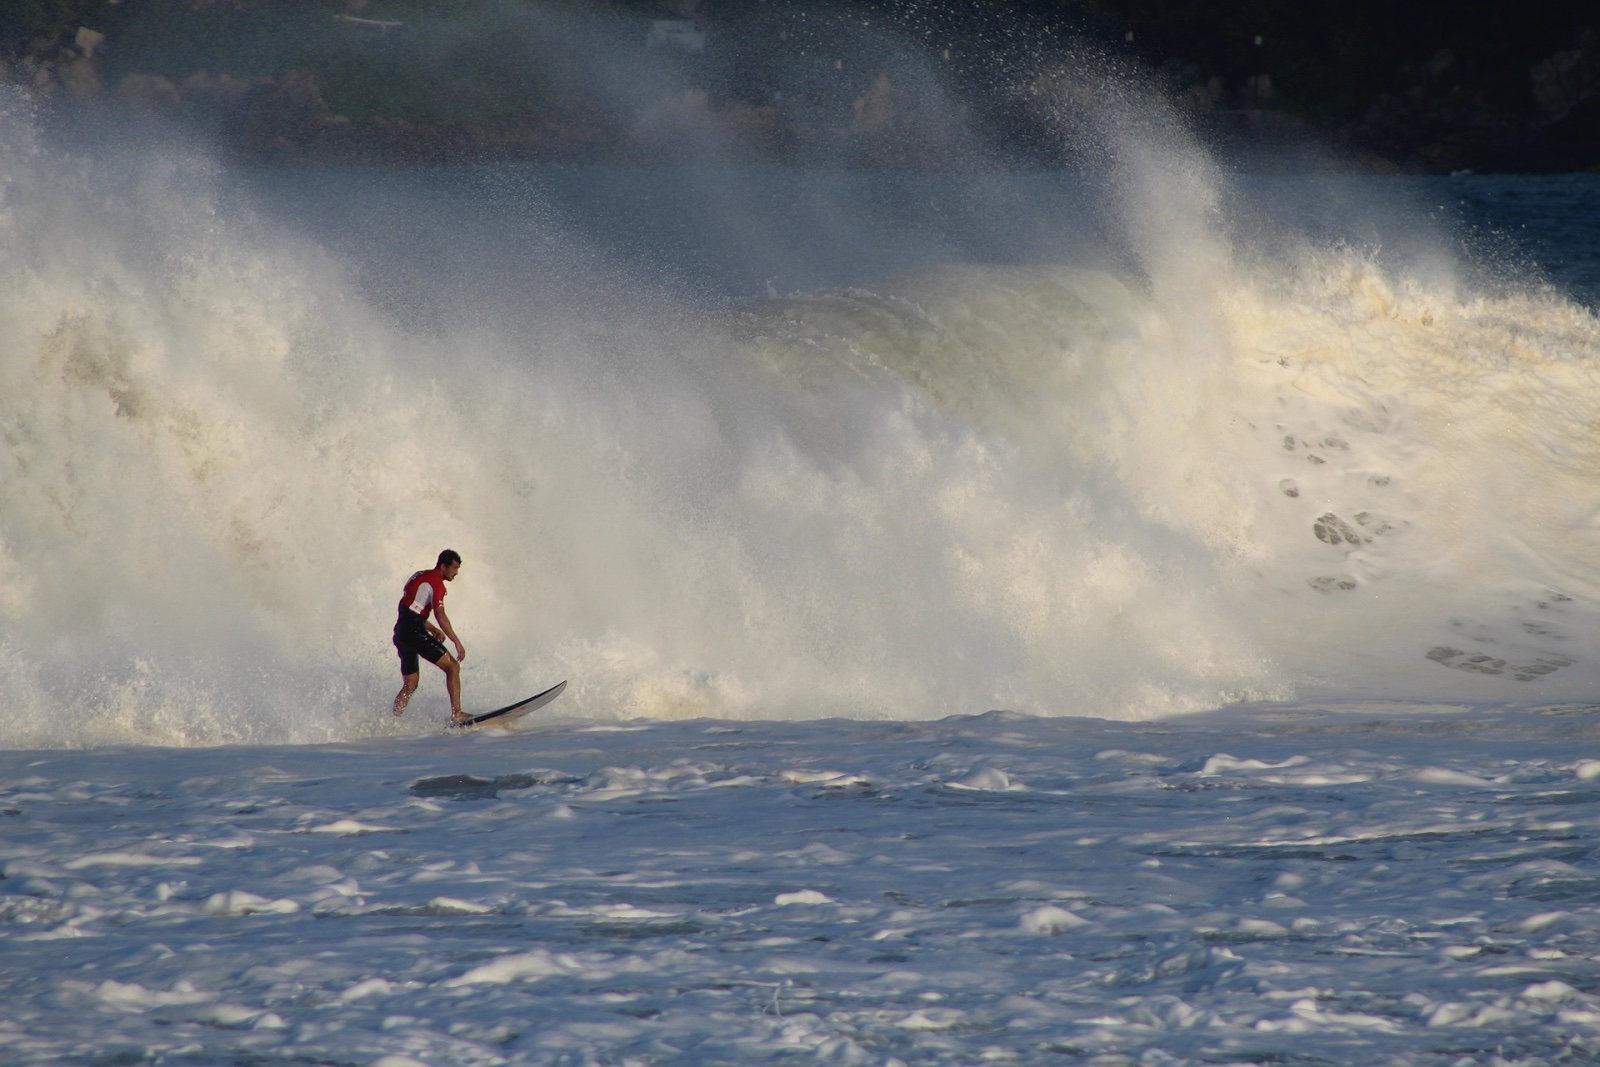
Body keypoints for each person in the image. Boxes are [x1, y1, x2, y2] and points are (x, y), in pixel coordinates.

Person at [392, 549, 468, 722]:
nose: (456, 573)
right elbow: (440, 615)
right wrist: (456, 642)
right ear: (443, 566)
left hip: (401, 632)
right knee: (453, 667)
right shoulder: (436, 584)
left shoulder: (419, 576)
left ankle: (393, 720)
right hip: (414, 632)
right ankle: (458, 714)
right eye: (454, 568)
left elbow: (408, 608)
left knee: (410, 684)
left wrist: (432, 629)